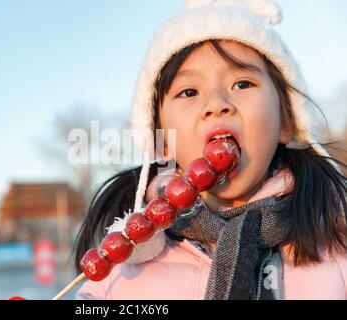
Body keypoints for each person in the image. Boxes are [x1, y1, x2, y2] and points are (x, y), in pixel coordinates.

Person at [73, 0, 347, 300]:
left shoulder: (336, 246)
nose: (216, 104)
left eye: (242, 83)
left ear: (287, 121)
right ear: (161, 138)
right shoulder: (119, 276)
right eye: (188, 92)